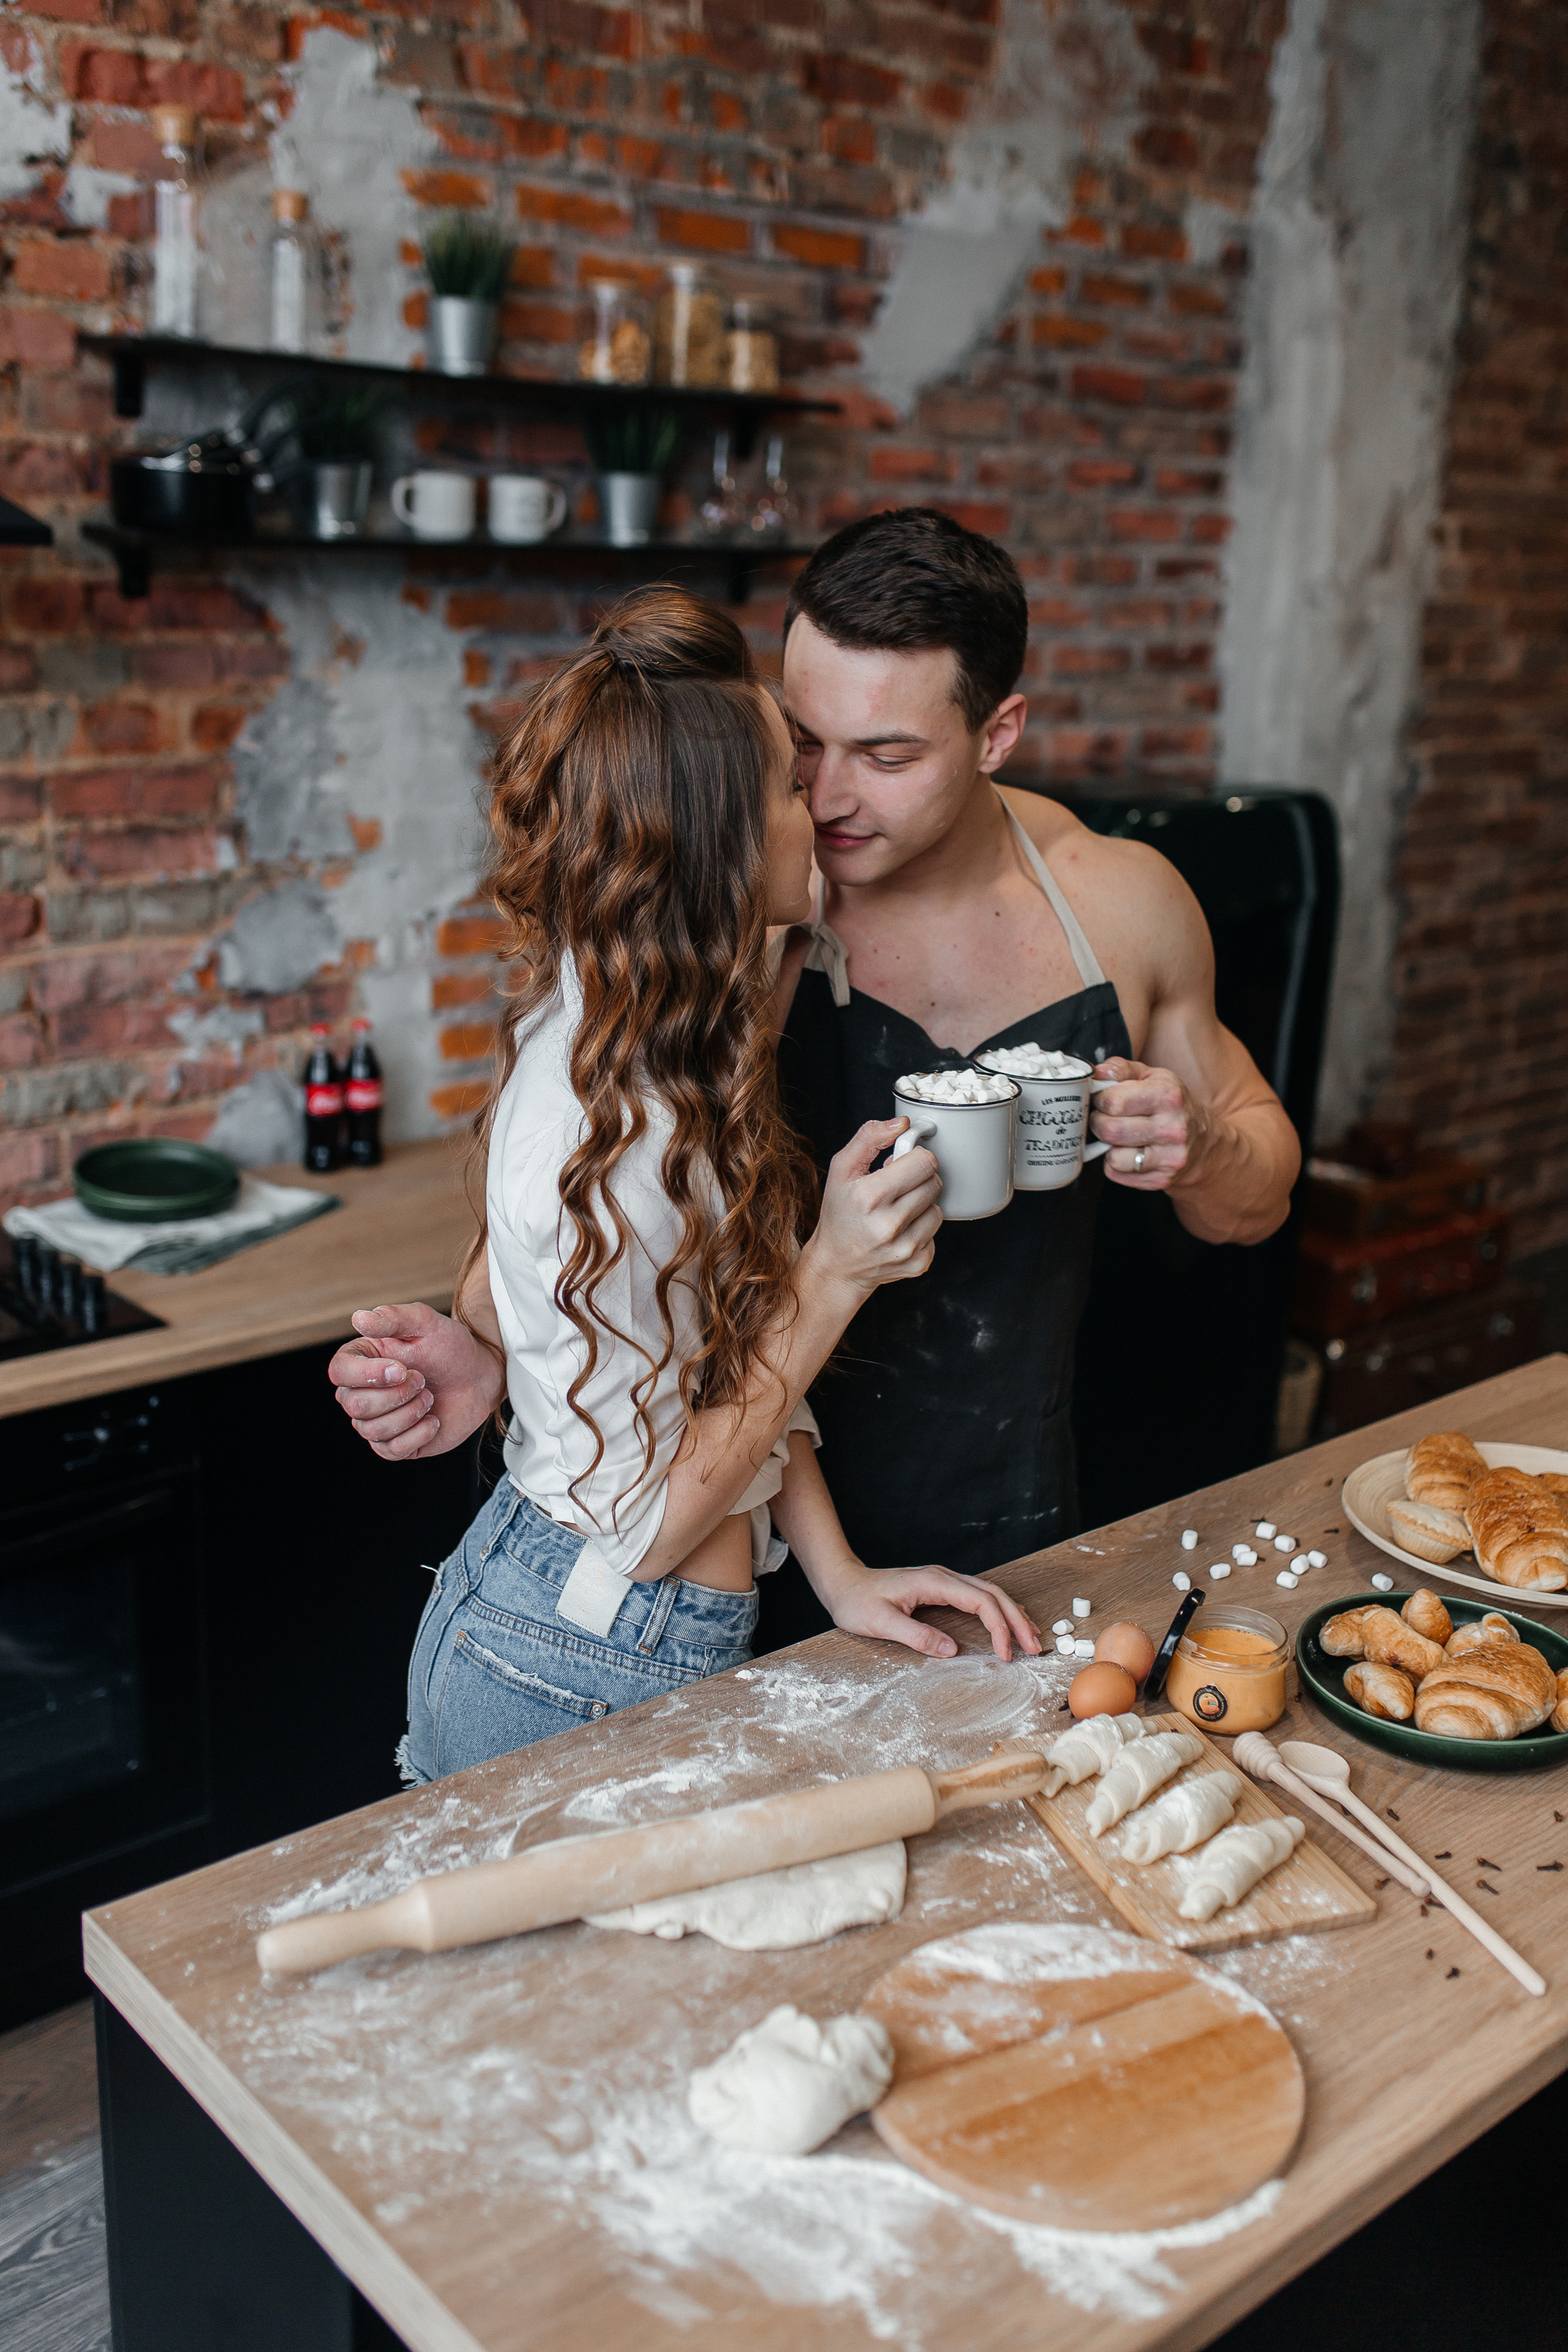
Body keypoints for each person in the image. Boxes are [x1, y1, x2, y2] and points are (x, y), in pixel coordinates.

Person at [330, 587, 1039, 1784]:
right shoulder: (625, 1121)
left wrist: (837, 1575)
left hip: (596, 1626)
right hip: (567, 1665)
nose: (819, 806)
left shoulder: (653, 1032)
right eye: (789, 784)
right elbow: (649, 1529)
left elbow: (704, 1352)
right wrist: (833, 1273)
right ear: (720, 847)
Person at [770, 507, 1300, 1586]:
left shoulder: (1119, 901)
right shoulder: (751, 887)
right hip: (752, 1523)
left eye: (887, 755)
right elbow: (581, 1164)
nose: (827, 796)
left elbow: (1257, 1203)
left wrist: (1199, 1147)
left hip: (1022, 1515)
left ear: (997, 734)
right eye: (804, 742)